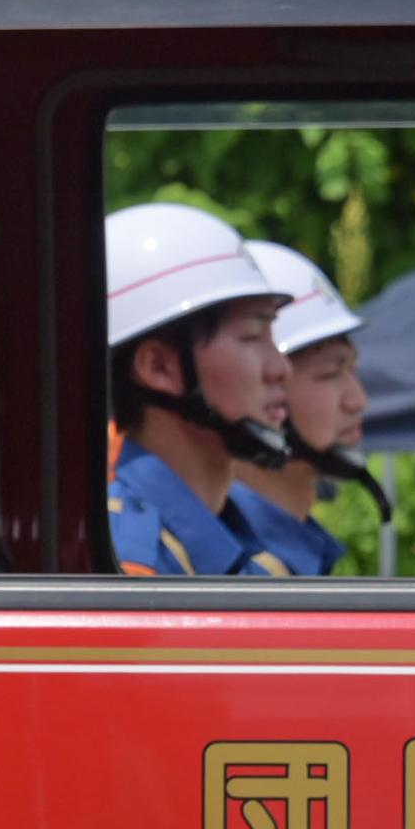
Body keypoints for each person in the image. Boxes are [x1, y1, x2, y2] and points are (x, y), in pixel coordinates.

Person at [106, 202, 294, 576]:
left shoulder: (239, 542)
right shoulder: (130, 565)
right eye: (253, 336)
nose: (282, 368)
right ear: (158, 367)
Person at [226, 240, 390, 576]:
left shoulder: (289, 551)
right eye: (330, 373)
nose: (357, 400)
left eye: (351, 371)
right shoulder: (235, 568)